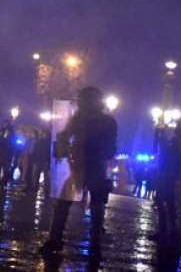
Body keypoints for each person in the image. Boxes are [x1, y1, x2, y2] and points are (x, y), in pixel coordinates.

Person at [41, 86, 117, 254]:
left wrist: (64, 146)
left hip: (86, 165)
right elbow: (111, 148)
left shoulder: (84, 119)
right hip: (88, 166)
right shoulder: (102, 121)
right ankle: (93, 243)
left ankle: (56, 240)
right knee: (93, 206)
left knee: (67, 204)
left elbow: (65, 136)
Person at [153, 117, 181, 239]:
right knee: (168, 203)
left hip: (170, 174)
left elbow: (171, 155)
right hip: (172, 174)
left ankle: (166, 230)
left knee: (165, 202)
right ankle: (170, 230)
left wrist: (161, 137)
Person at [0, 120, 17, 188]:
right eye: (4, 124)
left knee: (6, 169)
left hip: (8, 154)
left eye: (7, 124)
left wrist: (13, 153)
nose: (5, 125)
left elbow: (14, 144)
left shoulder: (12, 133)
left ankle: (3, 182)